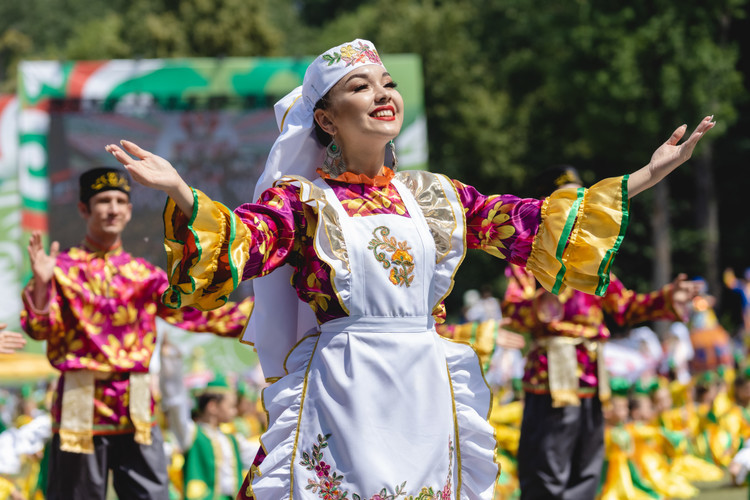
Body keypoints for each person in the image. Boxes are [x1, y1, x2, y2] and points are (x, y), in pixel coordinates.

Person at [105, 38, 714, 500]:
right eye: (360, 87)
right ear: (326, 117)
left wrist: (642, 178)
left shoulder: (438, 196)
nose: (381, 94)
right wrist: (184, 193)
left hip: (424, 382)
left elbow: (530, 224)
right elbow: (244, 239)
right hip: (344, 385)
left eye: (387, 83)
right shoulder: (302, 200)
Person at [20, 167, 253, 500]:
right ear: (84, 209)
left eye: (120, 201)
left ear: (129, 211)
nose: (113, 209)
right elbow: (38, 328)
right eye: (103, 201)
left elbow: (194, 315)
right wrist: (42, 284)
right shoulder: (61, 269)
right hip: (81, 402)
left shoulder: (144, 275)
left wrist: (265, 317)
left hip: (137, 404)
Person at [501, 165, 705, 500]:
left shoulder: (592, 260)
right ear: (546, 209)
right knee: (545, 467)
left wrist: (668, 297)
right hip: (551, 375)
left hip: (593, 376)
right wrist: (544, 298)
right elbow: (513, 312)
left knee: (588, 467)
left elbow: (625, 307)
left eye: (580, 203)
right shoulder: (529, 259)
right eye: (567, 204)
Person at [159, 340, 258, 500]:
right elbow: (175, 403)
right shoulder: (191, 434)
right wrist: (170, 364)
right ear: (212, 406)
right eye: (231, 406)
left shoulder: (232, 440)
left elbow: (262, 452)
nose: (234, 411)